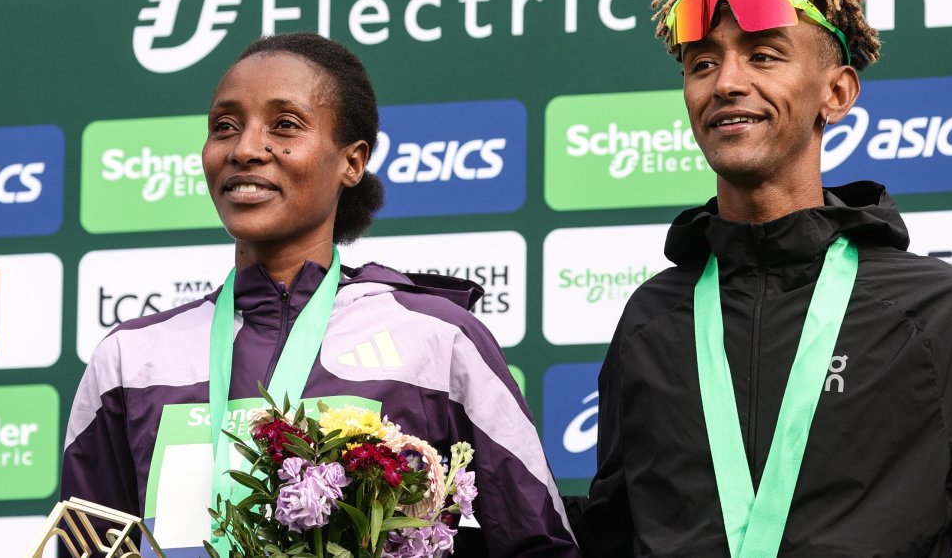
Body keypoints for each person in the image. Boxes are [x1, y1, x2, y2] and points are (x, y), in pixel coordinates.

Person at [565, 0, 952, 557]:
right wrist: (451, 510)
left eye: (764, 57)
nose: (727, 83)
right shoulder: (653, 317)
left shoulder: (933, 310)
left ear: (838, 92)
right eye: (701, 64)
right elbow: (612, 533)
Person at [61, 32, 580, 558]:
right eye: (225, 126)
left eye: (285, 125)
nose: (244, 149)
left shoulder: (438, 339)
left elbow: (538, 546)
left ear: (351, 162)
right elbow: (84, 549)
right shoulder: (129, 361)